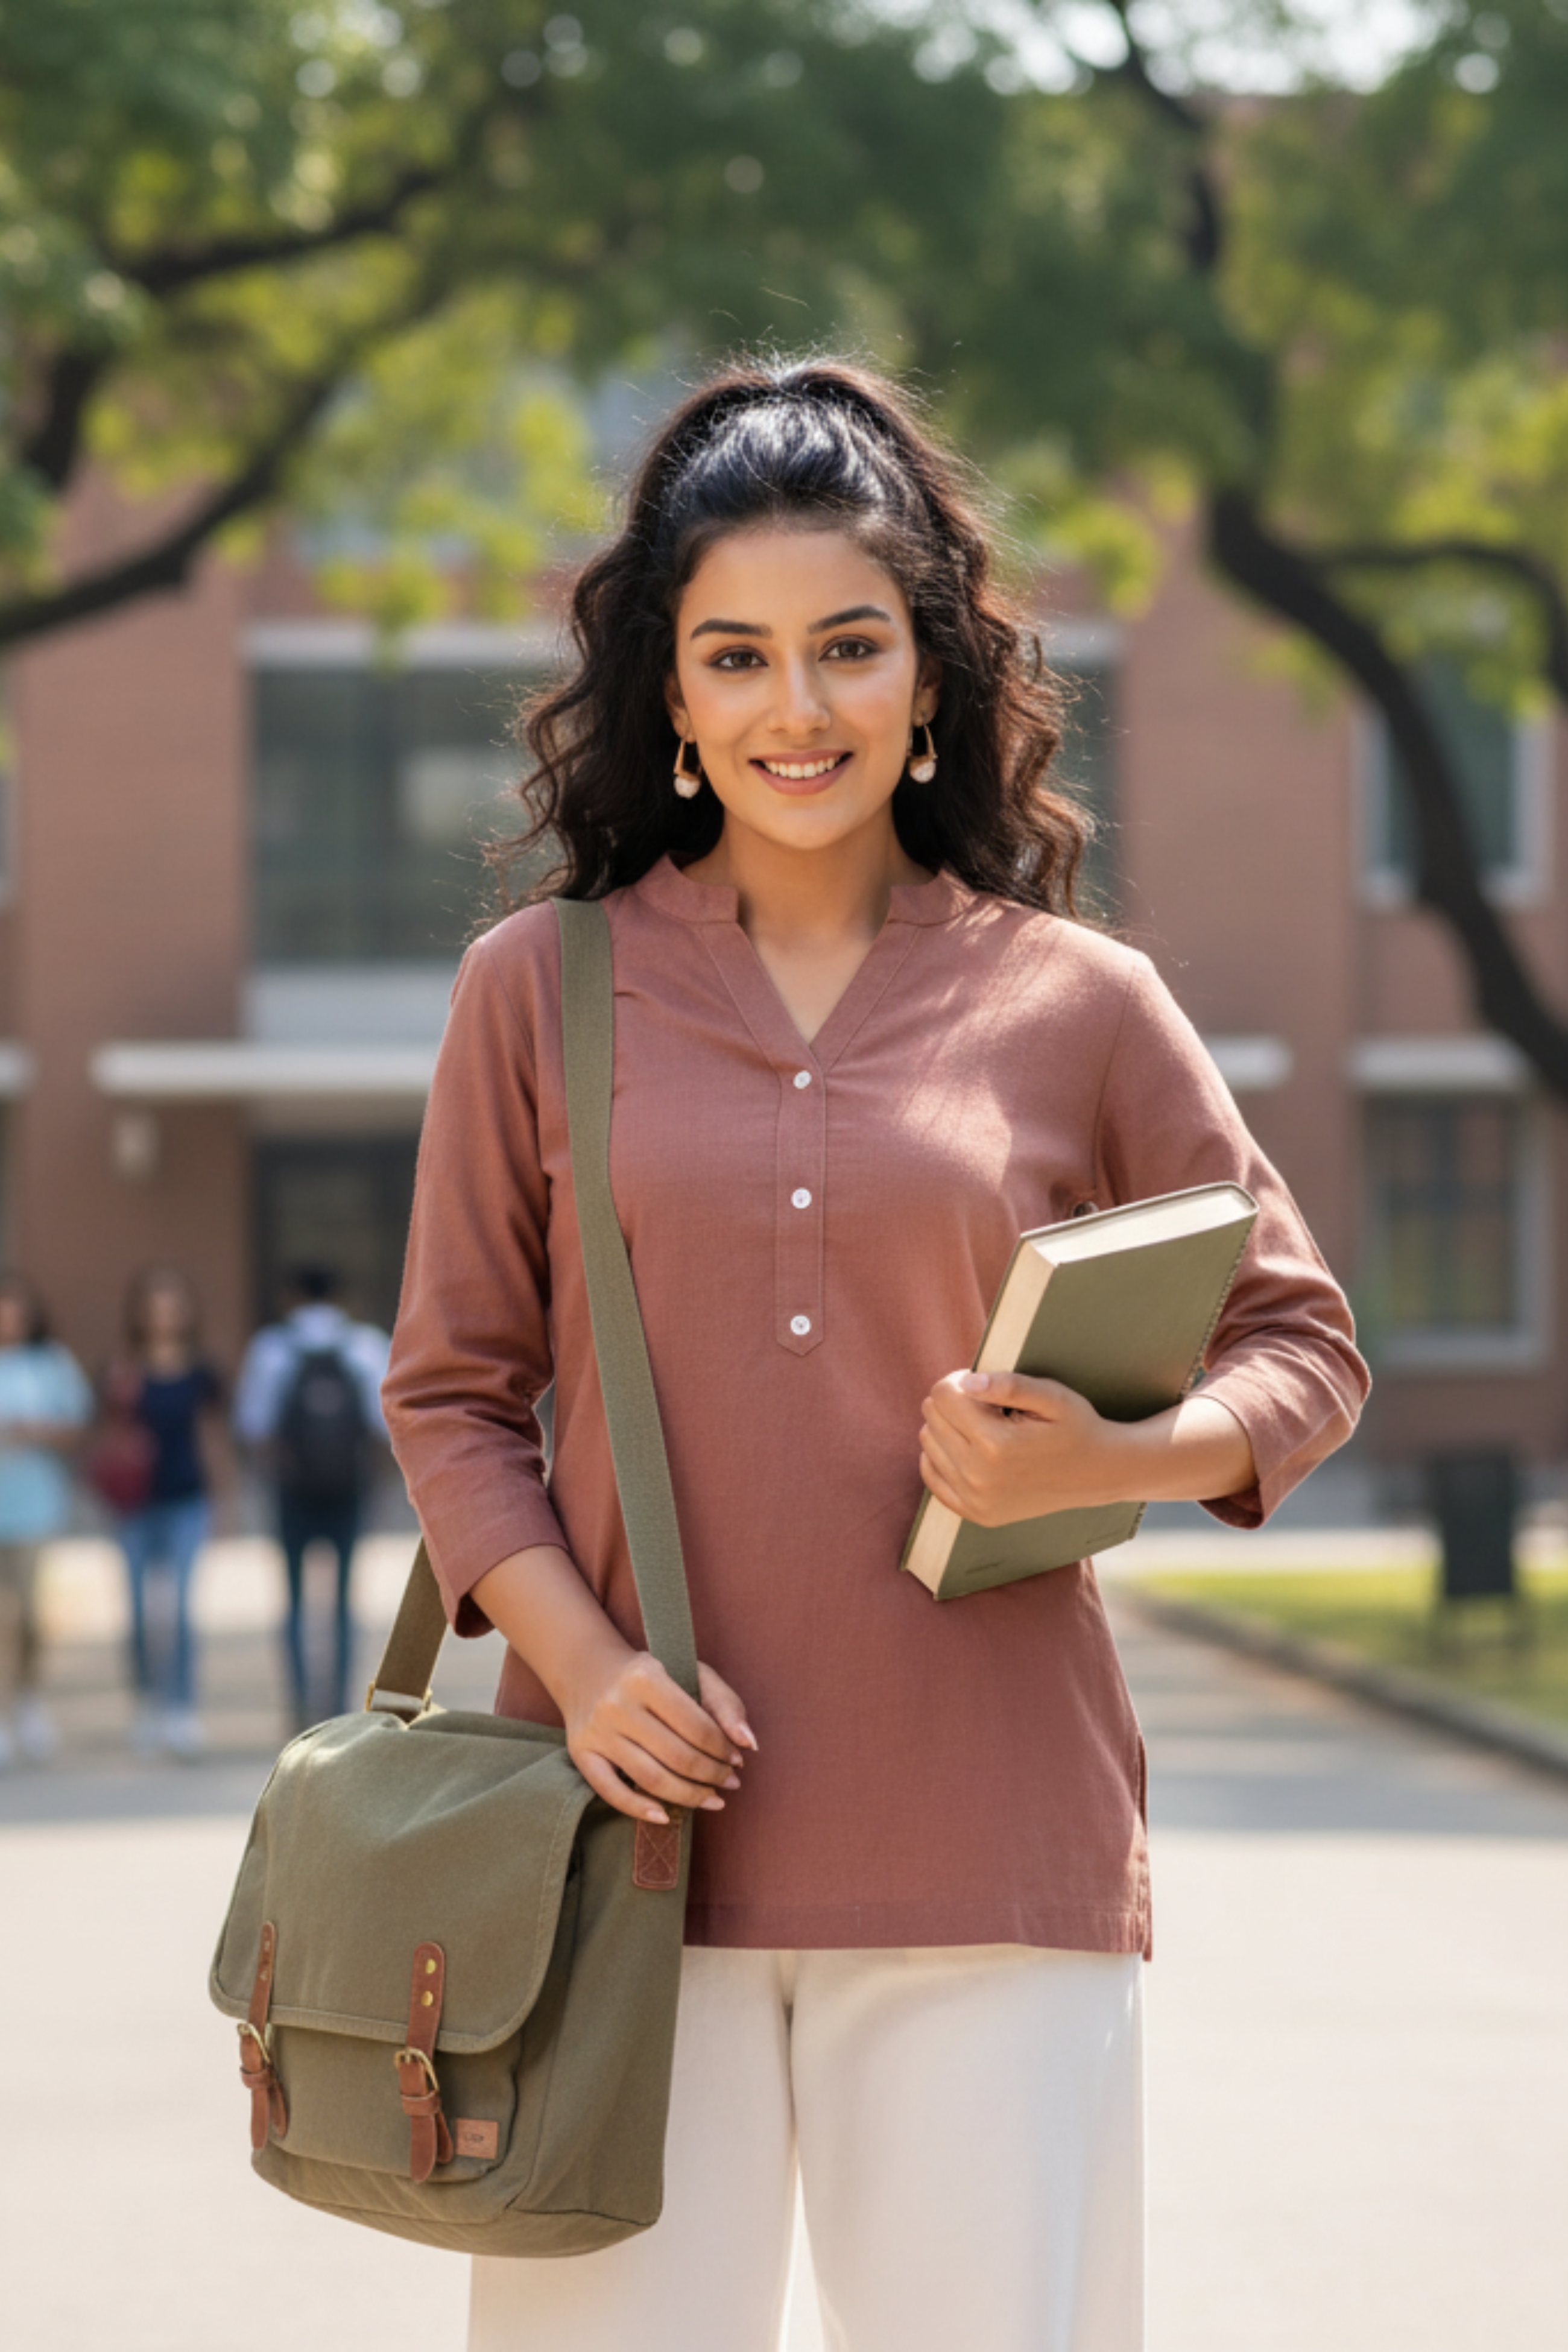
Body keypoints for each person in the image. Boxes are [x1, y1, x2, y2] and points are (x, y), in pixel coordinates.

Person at [382, 361, 1370, 2352]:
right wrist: (583, 1671)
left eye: (848, 648)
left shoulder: (1083, 1005)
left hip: (991, 1850)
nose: (795, 710)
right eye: (735, 657)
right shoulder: (538, 992)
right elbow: (454, 1394)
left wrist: (1107, 1461)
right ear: (668, 691)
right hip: (610, 1858)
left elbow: (1304, 1342)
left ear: (932, 672)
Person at [233, 1266, 390, 1727]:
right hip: (349, 1489)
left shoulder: (272, 1348)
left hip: (293, 1491)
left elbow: (254, 1427)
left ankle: (299, 1704)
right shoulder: (364, 1345)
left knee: (296, 1599)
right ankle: (339, 1702)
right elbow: (385, 1423)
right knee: (343, 1598)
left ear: (292, 1297)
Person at [96, 1265, 223, 1759]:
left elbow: (213, 1436)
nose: (164, 1315)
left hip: (187, 1498)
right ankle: (147, 1705)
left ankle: (182, 1709)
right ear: (140, 1312)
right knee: (137, 1609)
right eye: (155, 1305)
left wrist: (224, 1499)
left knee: (183, 1610)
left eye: (173, 1305)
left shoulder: (202, 1370)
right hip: (134, 1505)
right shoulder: (121, 1368)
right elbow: (105, 1433)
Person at [0, 1271, 91, 1767]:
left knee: (30, 1613)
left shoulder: (51, 1364)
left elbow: (78, 1428)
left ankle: (29, 1699)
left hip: (34, 1508)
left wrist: (38, 1430)